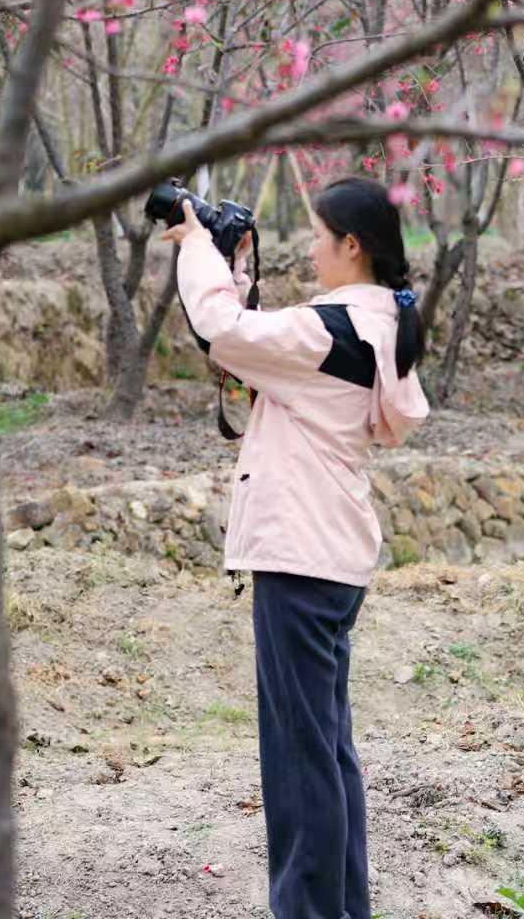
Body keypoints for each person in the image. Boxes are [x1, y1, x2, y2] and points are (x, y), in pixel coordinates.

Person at [164, 175, 429, 919]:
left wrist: (194, 246)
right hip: (331, 554)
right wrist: (235, 266)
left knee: (299, 759)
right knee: (326, 750)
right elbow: (250, 349)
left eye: (317, 235)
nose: (309, 248)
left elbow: (224, 332)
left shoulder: (330, 331)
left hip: (300, 555)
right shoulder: (367, 325)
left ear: (353, 245)